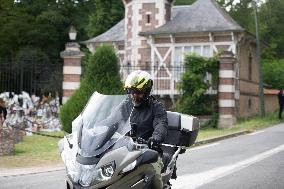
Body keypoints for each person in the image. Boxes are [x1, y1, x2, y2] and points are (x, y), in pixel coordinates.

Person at [123, 70, 168, 189]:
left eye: (138, 92)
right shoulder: (125, 106)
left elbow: (161, 124)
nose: (134, 95)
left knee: (155, 180)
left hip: (149, 151)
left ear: (147, 91)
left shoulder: (156, 107)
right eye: (131, 91)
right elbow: (111, 119)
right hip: (125, 150)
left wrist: (155, 138)